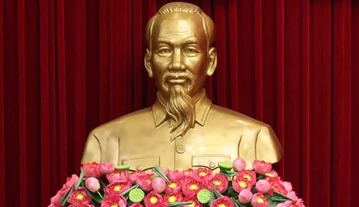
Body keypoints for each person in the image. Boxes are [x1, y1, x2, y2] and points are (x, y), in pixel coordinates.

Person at [81, 2, 281, 170]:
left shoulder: (253, 138)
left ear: (211, 62)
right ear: (149, 63)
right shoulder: (105, 141)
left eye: (190, 50)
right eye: (164, 50)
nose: (177, 64)